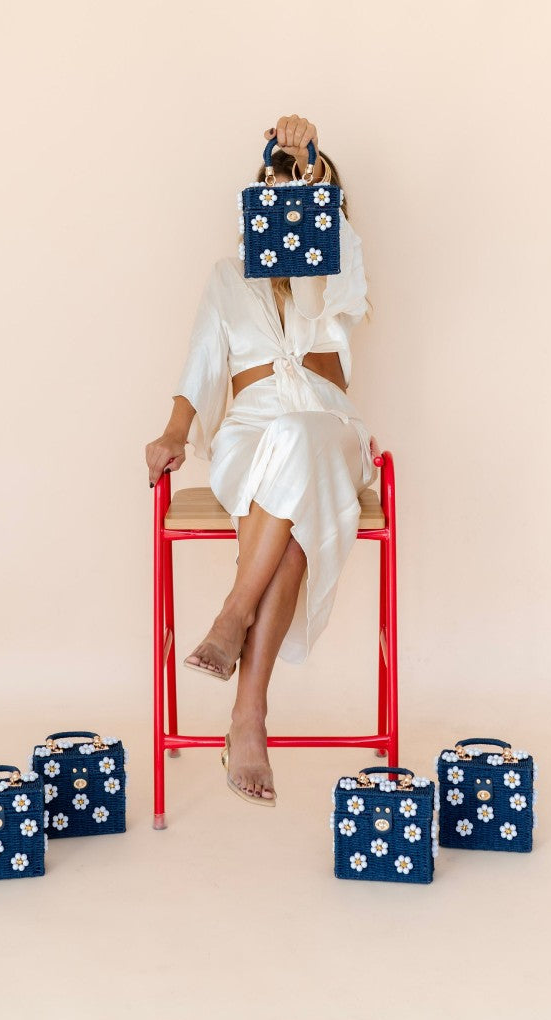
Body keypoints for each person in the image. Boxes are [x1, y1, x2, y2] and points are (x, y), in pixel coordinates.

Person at [145, 114, 377, 806]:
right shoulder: (226, 277)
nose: (286, 198)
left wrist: (310, 172)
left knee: (304, 442)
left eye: (302, 190)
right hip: (250, 434)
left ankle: (234, 613)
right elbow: (199, 366)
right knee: (293, 473)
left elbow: (317, 282)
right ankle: (249, 717)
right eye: (275, 186)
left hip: (328, 427)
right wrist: (174, 433)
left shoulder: (337, 268)